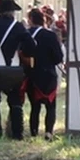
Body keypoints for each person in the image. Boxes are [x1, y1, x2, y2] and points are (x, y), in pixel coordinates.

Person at [0, 0, 36, 139]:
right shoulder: (17, 27)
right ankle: (17, 134)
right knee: (15, 102)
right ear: (12, 12)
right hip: (13, 69)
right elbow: (31, 46)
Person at [25, 8, 64, 140]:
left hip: (32, 75)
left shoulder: (26, 34)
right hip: (49, 75)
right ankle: (48, 132)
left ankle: (34, 134)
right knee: (50, 106)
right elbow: (58, 57)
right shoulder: (50, 35)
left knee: (34, 107)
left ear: (30, 19)